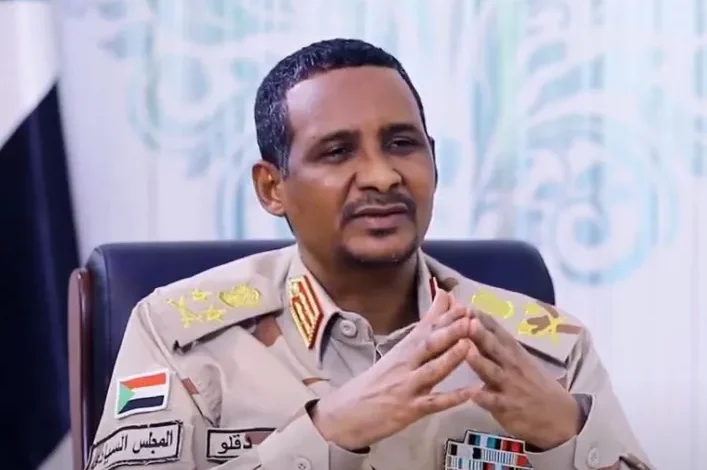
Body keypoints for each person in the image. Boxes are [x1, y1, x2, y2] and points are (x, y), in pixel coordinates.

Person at [85, 38, 653, 470]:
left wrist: (566, 433)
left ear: (434, 162)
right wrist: (327, 433)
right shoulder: (178, 334)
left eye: (402, 144)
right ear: (272, 187)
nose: (382, 176)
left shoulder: (546, 350)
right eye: (337, 152)